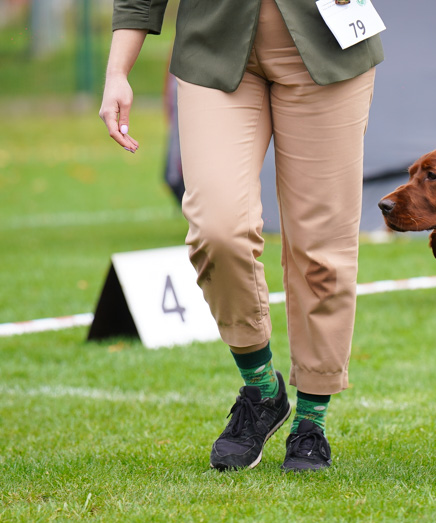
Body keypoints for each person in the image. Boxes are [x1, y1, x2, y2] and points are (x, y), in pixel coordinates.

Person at [99, 0, 383, 472]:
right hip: (214, 51)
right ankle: (262, 389)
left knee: (322, 245)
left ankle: (312, 420)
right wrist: (117, 70)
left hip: (329, 48)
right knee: (217, 228)